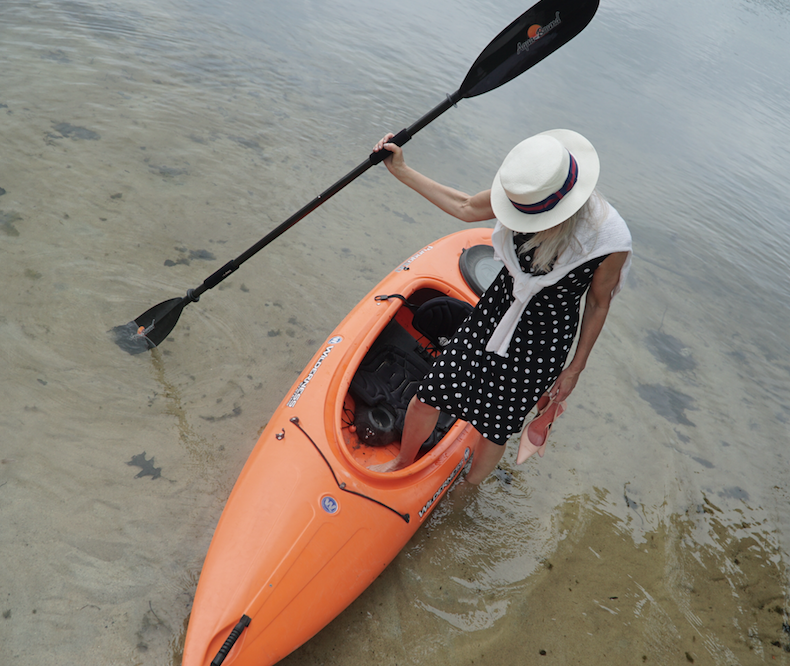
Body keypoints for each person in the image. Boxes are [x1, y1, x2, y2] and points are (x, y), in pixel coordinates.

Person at [369, 129, 632, 484]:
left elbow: (599, 304)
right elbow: (464, 206)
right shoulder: (526, 193)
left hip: (546, 337)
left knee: (494, 426)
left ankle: (469, 487)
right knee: (431, 391)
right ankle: (402, 462)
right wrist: (401, 169)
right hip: (496, 310)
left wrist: (575, 368)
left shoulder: (608, 239)